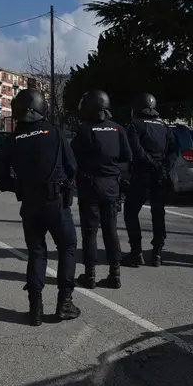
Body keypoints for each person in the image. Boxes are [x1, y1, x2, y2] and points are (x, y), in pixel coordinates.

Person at [0, 88, 81, 326]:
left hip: (30, 204)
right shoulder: (55, 132)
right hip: (56, 203)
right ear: (42, 108)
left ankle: (35, 310)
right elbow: (72, 166)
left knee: (37, 253)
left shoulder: (12, 140)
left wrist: (19, 187)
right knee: (68, 246)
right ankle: (65, 304)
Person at [70, 90, 132, 289]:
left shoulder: (84, 130)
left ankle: (90, 275)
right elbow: (127, 158)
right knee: (111, 231)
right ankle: (115, 275)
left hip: (90, 186)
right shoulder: (117, 129)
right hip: (112, 186)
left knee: (90, 233)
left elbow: (72, 160)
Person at [122, 92, 178, 267]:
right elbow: (174, 150)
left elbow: (136, 150)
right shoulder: (164, 126)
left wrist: (151, 164)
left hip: (142, 174)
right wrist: (164, 167)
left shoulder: (134, 125)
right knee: (158, 213)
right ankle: (157, 253)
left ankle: (136, 252)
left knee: (131, 212)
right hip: (160, 175)